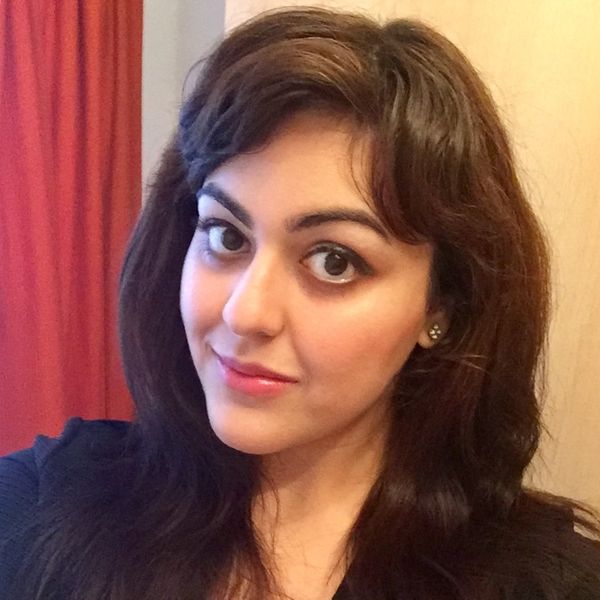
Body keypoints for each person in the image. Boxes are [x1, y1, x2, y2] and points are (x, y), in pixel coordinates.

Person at [0, 6, 599, 600]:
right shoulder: (43, 508)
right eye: (226, 236)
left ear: (442, 307)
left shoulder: (548, 583)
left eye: (334, 261)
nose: (245, 313)